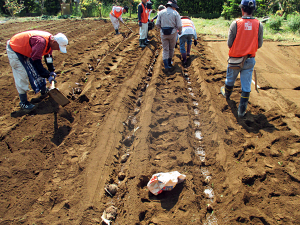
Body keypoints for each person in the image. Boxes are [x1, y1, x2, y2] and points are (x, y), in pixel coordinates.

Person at [220, 0, 263, 117]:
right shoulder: (259, 24)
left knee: (230, 80)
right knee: (246, 85)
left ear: (242, 9)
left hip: (235, 59)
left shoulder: (235, 23)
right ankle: (241, 111)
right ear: (253, 9)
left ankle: (227, 95)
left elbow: (229, 43)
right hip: (249, 59)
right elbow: (259, 44)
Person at [6, 30, 68, 110]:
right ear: (54, 42)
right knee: (22, 74)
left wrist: (51, 70)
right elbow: (37, 62)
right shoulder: (40, 42)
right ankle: (23, 102)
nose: (59, 49)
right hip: (15, 48)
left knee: (38, 70)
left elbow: (48, 56)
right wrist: (48, 75)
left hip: (27, 49)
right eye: (59, 47)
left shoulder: (50, 41)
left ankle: (44, 90)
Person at [156, 0, 182, 75]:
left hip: (163, 33)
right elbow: (179, 25)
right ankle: (169, 63)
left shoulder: (161, 13)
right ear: (173, 6)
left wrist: (162, 28)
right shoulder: (175, 13)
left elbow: (157, 24)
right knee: (171, 48)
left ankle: (166, 65)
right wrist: (179, 31)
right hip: (173, 33)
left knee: (165, 49)